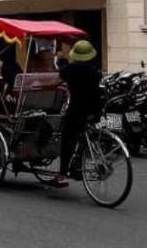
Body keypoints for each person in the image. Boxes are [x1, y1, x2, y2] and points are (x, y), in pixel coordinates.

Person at [54, 40, 103, 188]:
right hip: (95, 108)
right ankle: (78, 163)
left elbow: (59, 79)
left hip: (77, 108)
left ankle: (62, 174)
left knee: (67, 139)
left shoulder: (71, 69)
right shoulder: (95, 69)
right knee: (85, 134)